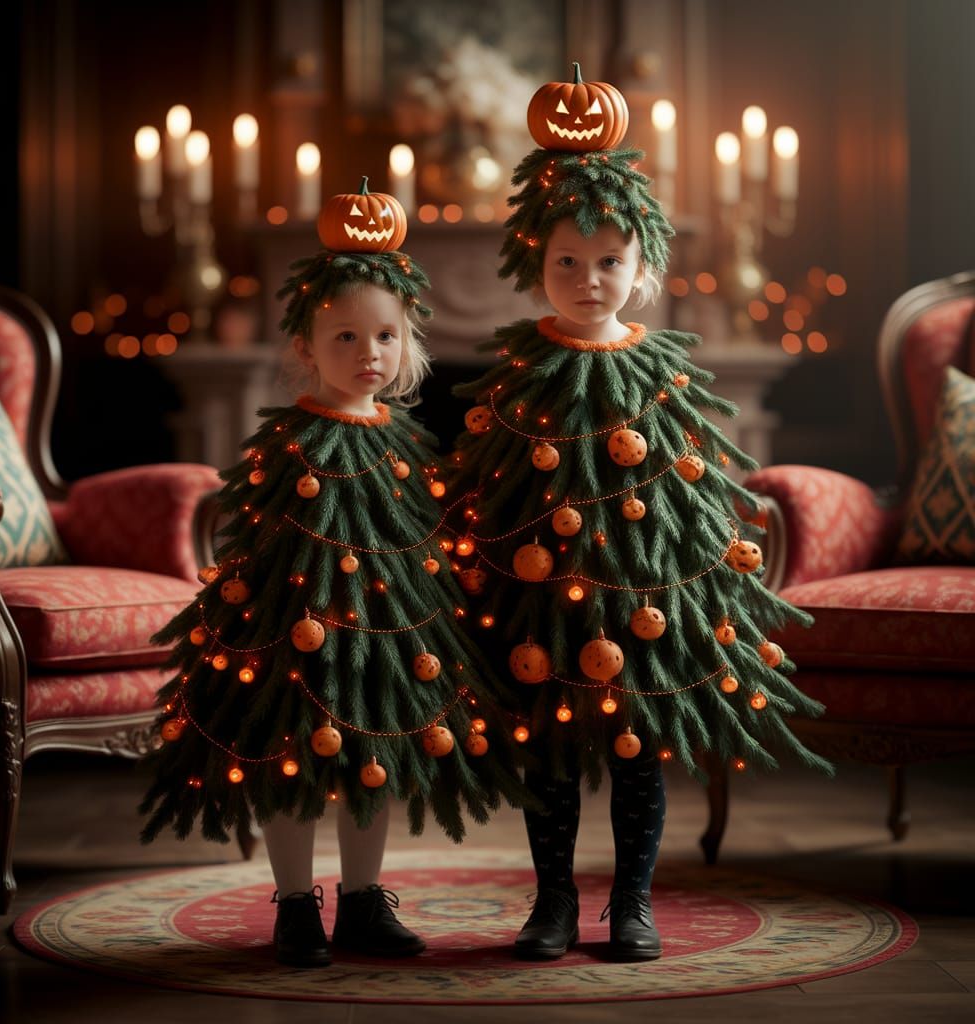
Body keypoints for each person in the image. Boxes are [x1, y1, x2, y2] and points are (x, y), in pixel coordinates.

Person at [449, 66, 831, 963]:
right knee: (545, 754)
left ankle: (632, 904)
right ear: (535, 266)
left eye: (609, 263)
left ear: (642, 267)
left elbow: (695, 486)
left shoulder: (660, 369)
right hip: (538, 601)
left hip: (643, 596)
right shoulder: (519, 373)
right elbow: (488, 482)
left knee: (634, 751)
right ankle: (550, 905)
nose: (589, 280)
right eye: (566, 264)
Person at [139, 180, 527, 968]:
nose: (368, 356)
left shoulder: (407, 443)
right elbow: (261, 538)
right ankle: (293, 905)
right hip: (298, 636)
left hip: (389, 639)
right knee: (296, 760)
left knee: (371, 759)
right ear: (305, 347)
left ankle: (360, 901)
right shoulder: (295, 444)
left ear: (408, 343)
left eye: (385, 338)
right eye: (344, 338)